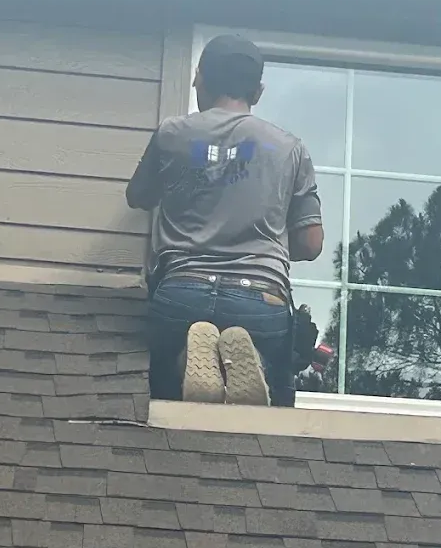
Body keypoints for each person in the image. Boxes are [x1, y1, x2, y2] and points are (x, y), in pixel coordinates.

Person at [126, 34, 324, 407]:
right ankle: (257, 366)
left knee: (167, 402)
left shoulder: (172, 134)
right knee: (276, 405)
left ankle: (189, 362)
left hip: (183, 288)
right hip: (259, 295)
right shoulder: (288, 147)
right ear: (259, 91)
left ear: (200, 78)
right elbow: (310, 244)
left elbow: (138, 197)